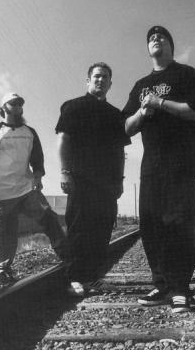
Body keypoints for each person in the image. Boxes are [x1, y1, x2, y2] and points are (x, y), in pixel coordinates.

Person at [123, 26, 195, 313]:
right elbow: (126, 128)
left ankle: (180, 288)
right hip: (152, 167)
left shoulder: (187, 75)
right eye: (150, 38)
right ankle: (161, 285)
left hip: (183, 164)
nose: (155, 39)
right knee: (151, 225)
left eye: (161, 37)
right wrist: (142, 112)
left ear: (171, 45)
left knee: (181, 225)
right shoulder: (140, 85)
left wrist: (160, 103)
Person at [56, 62, 130, 296]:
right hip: (80, 178)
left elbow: (119, 150)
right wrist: (65, 171)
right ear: (88, 80)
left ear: (110, 84)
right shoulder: (73, 106)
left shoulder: (116, 115)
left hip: (107, 183)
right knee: (79, 228)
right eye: (96, 76)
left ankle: (92, 278)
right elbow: (63, 140)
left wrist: (120, 180)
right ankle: (74, 278)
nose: (101, 80)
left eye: (105, 77)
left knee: (102, 229)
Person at [0, 93, 67, 285]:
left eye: (20, 103)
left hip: (27, 189)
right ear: (4, 107)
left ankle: (67, 255)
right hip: (2, 193)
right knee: (4, 231)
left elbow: (38, 160)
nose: (19, 106)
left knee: (49, 218)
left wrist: (38, 178)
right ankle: (2, 271)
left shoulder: (29, 132)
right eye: (14, 103)